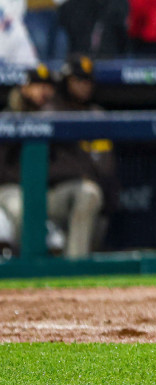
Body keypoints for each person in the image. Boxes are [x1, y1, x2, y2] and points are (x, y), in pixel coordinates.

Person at [0, 64, 107, 258]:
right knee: (21, 208)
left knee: (88, 193)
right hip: (14, 190)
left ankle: (75, 265)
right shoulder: (8, 119)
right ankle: (24, 267)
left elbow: (78, 165)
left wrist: (51, 176)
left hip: (52, 191)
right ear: (24, 88)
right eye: (37, 85)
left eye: (47, 86)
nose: (43, 91)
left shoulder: (61, 117)